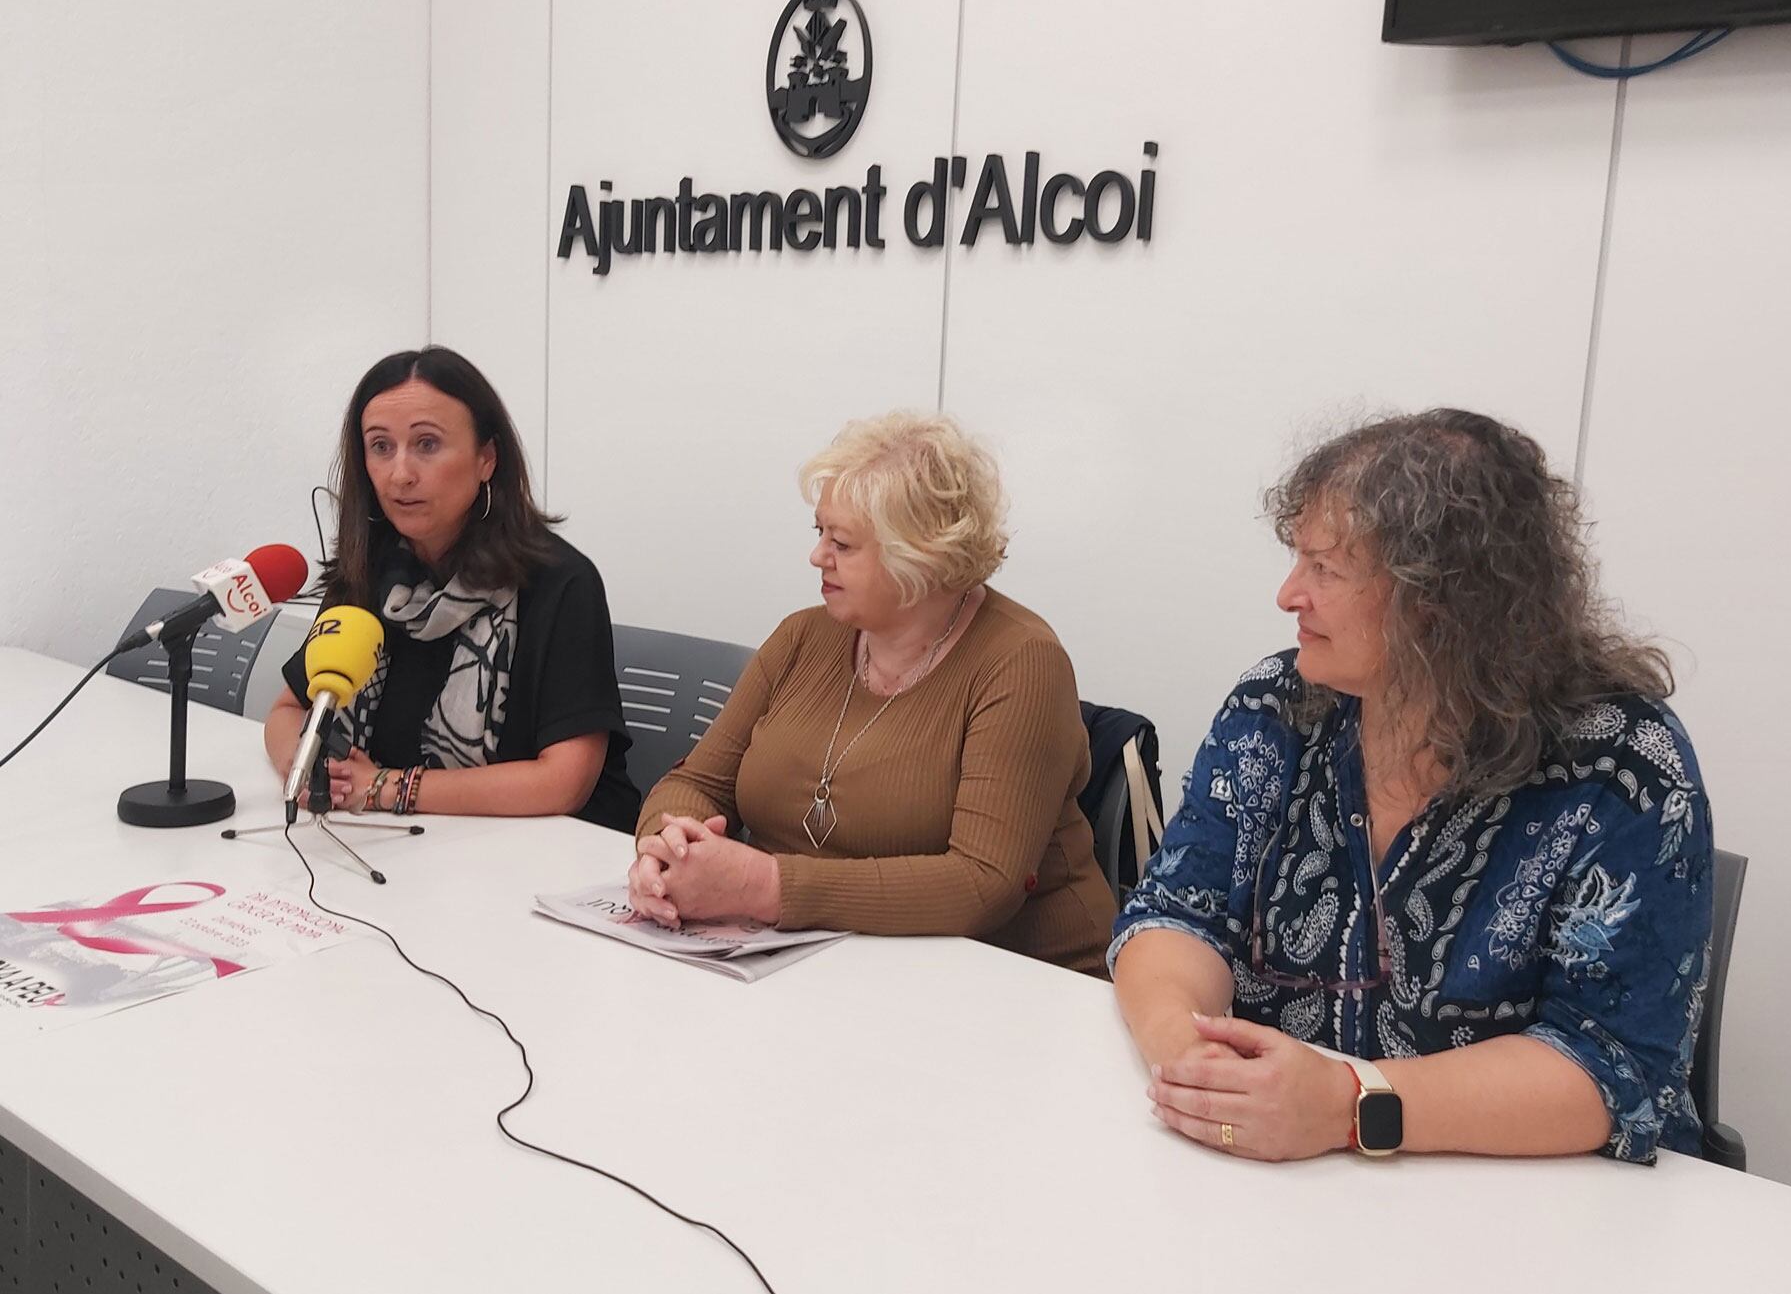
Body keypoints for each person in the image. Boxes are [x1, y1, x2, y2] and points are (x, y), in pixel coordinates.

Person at [1111, 409, 1712, 1163]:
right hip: (1293, 1188)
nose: (1289, 594)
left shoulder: (1619, 768)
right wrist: (1191, 1065)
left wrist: (1349, 1105)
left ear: (1439, 601)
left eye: (1325, 568)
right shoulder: (1277, 709)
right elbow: (1176, 913)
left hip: (1535, 1213)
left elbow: (1608, 1065)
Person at [628, 412, 1116, 975]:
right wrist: (667, 850)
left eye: (843, 543)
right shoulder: (802, 636)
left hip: (1012, 982)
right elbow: (694, 783)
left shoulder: (1022, 663)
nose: (818, 557)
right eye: (820, 534)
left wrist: (765, 885)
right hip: (821, 964)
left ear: (921, 557)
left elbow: (982, 884)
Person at [263, 346, 639, 831]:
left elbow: (565, 781)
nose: (400, 473)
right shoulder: (371, 571)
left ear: (487, 458)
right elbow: (288, 711)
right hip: (406, 841)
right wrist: (309, 766)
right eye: (381, 447)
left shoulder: (561, 581)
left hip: (546, 852)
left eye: (427, 444)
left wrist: (381, 788)